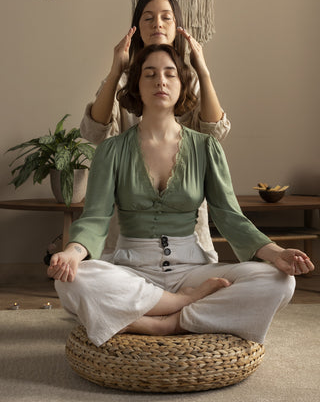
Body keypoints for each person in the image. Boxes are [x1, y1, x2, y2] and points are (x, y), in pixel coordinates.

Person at [49, 44, 314, 347]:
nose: (160, 81)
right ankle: (181, 304)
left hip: (192, 270)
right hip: (131, 268)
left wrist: (277, 253)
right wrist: (72, 254)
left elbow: (230, 218)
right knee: (70, 282)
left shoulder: (206, 147)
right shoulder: (111, 150)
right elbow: (95, 218)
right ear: (137, 85)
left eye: (169, 74)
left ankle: (165, 322)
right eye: (149, 74)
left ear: (182, 85)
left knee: (280, 282)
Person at [80, 0, 231, 260]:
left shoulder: (191, 79)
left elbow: (213, 133)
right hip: (131, 211)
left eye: (166, 17)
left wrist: (202, 70)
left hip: (185, 209)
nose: (157, 24)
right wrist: (116, 71)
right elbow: (94, 131)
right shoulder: (122, 81)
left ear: (177, 26)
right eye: (148, 18)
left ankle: (172, 297)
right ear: (137, 28)